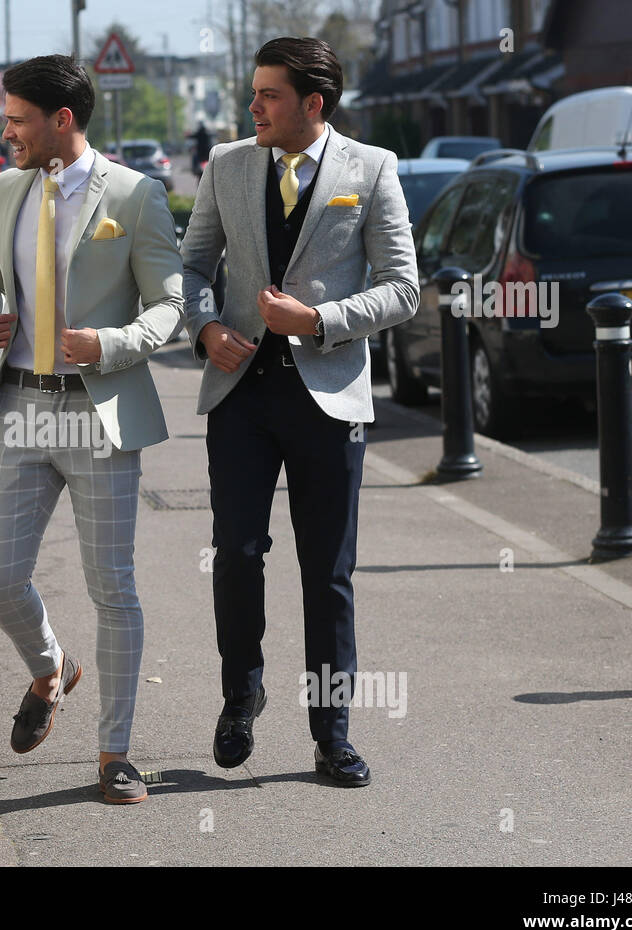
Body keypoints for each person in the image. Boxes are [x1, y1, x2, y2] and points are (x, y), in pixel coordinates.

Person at [180, 37, 418, 786]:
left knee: (329, 574)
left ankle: (333, 735)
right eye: (253, 93)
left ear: (313, 104)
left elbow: (403, 288)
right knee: (239, 554)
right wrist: (205, 327)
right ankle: (240, 695)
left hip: (329, 397)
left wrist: (318, 321)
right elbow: (189, 266)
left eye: (269, 96)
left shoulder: (372, 169)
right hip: (242, 393)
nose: (253, 107)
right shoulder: (228, 163)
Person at [0, 54, 183, 805]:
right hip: (21, 404)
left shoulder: (136, 194)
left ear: (62, 120)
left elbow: (171, 305)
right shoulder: (4, 189)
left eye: (17, 118)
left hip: (99, 411)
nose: (6, 129)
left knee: (111, 586)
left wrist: (110, 344)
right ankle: (51, 667)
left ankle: (115, 752)